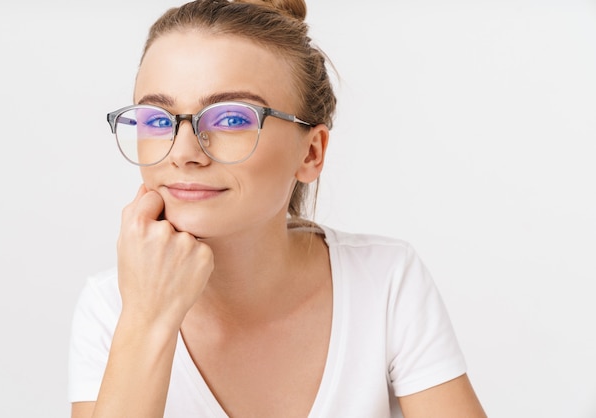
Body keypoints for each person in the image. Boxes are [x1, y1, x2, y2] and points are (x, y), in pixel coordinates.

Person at [68, 0, 487, 416]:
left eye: (231, 119)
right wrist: (148, 320)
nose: (183, 153)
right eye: (157, 120)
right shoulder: (111, 309)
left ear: (310, 153)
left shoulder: (385, 282)